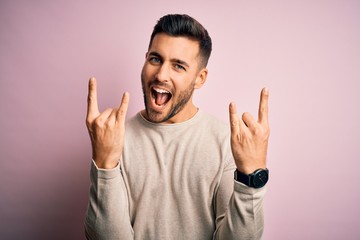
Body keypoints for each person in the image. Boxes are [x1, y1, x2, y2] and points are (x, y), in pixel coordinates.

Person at [84, 14, 270, 240]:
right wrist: (104, 165)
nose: (161, 74)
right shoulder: (114, 139)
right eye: (155, 59)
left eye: (178, 66)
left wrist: (251, 178)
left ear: (200, 78)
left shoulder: (226, 142)